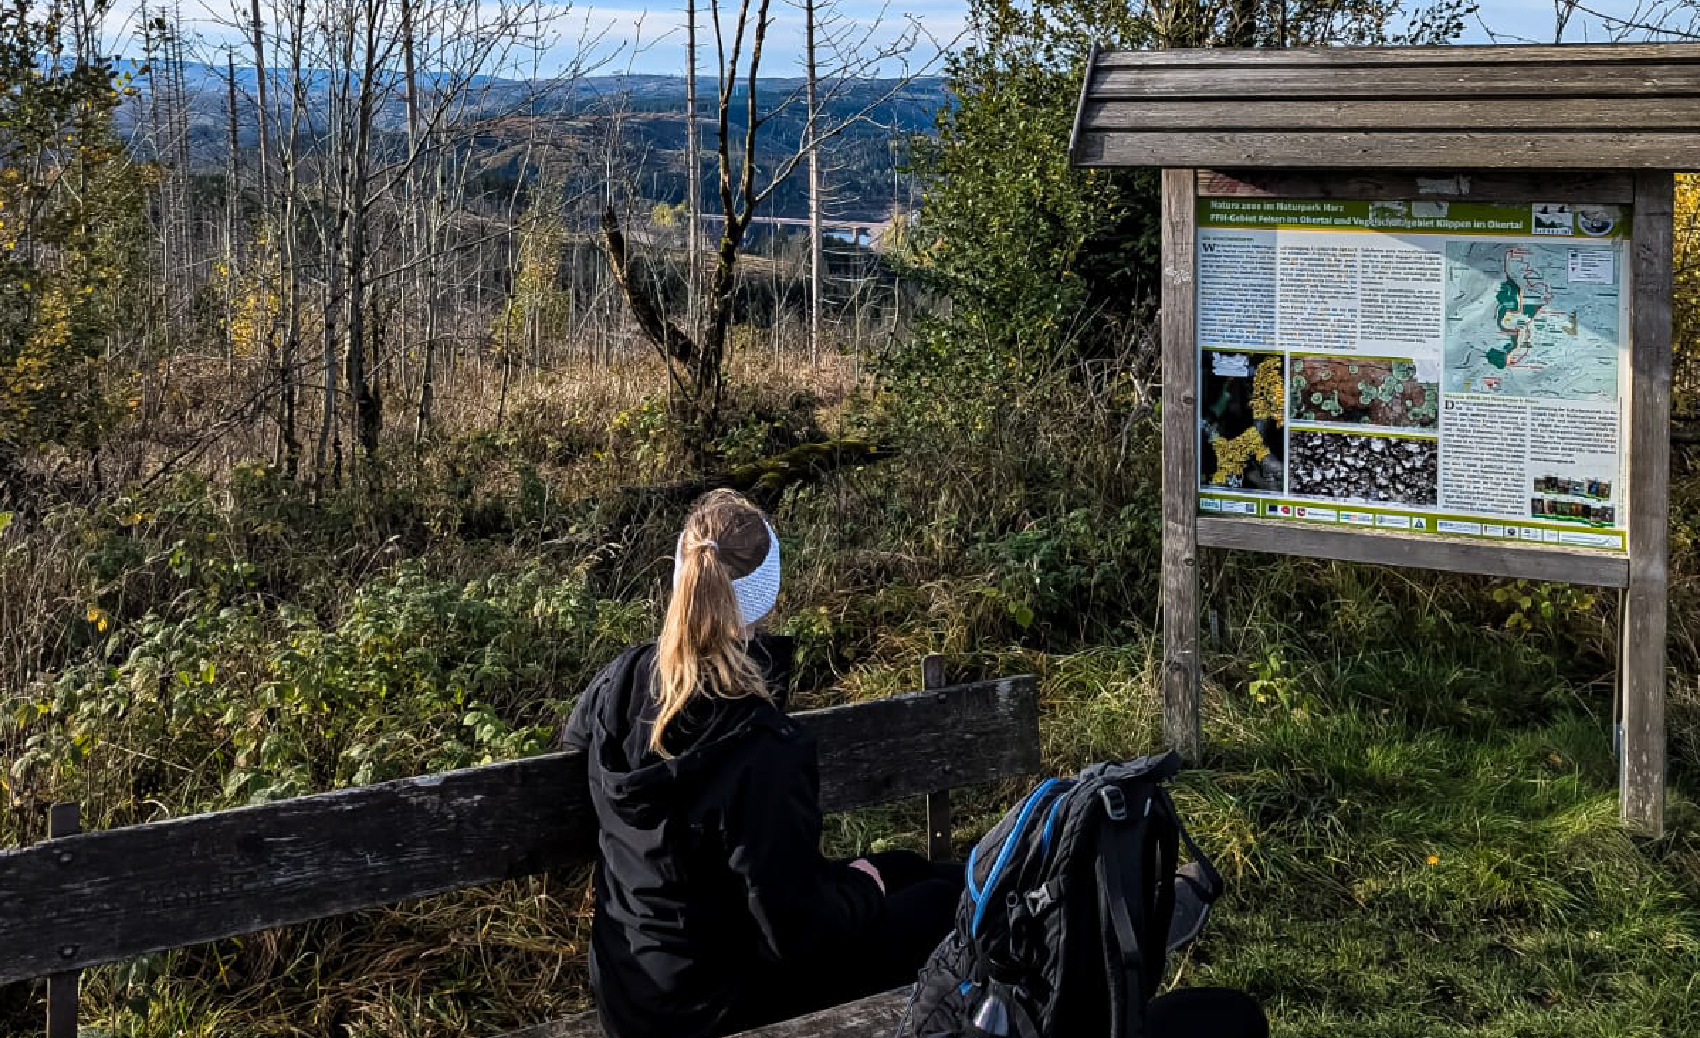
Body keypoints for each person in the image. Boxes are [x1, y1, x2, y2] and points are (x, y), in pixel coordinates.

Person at [562, 489, 961, 1038]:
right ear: (766, 597)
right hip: (722, 1002)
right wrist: (864, 887)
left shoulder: (620, 681)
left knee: (911, 867)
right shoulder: (762, 743)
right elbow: (799, 937)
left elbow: (578, 757)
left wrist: (868, 877)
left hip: (632, 990)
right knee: (948, 900)